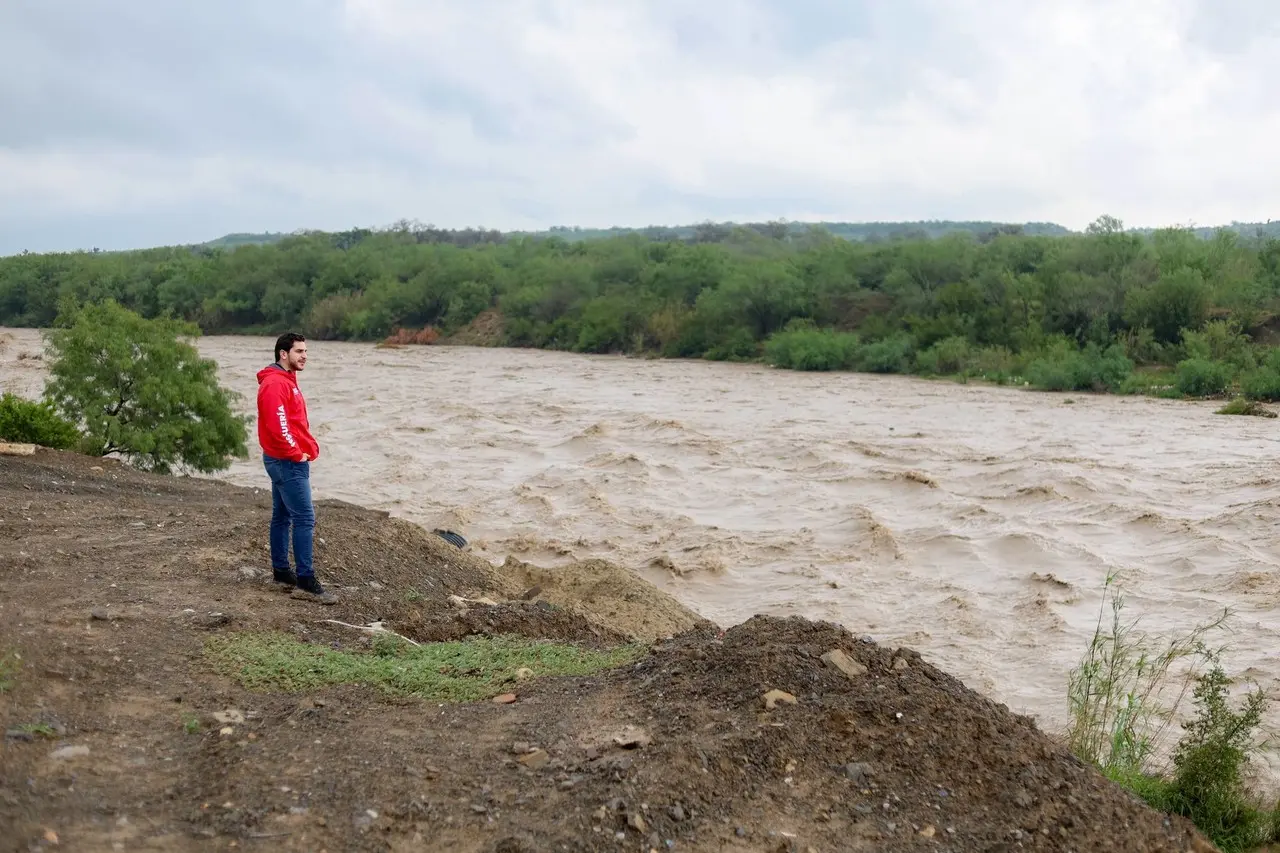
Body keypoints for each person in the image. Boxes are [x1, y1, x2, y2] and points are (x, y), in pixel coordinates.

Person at [256, 332, 336, 605]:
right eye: (299, 351)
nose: (304, 356)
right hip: (286, 461)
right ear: (283, 353)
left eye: (305, 351)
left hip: (283, 459)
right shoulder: (275, 384)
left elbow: (291, 422)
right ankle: (305, 580)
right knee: (304, 518)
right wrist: (296, 453)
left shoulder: (286, 380)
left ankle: (281, 572)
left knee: (282, 516)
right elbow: (277, 425)